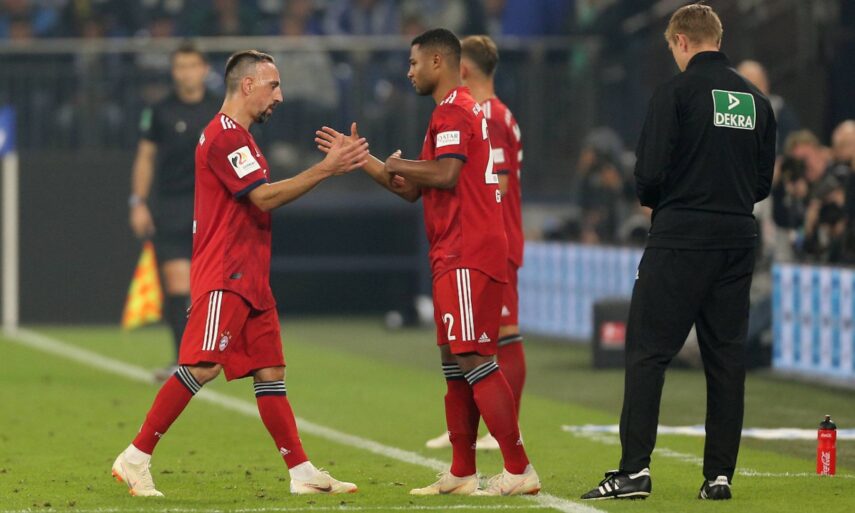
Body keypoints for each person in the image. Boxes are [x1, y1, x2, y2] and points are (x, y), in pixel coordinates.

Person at [112, 49, 369, 497]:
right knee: (202, 366)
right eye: (274, 86)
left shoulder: (241, 138)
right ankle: (135, 457)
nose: (280, 96)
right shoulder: (225, 136)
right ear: (247, 85)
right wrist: (326, 169)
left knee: (270, 371)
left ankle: (301, 472)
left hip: (250, 277)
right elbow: (263, 198)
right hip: (226, 273)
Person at [316, 28, 540, 496]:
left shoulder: (456, 109)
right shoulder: (450, 112)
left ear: (438, 61)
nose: (409, 72)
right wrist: (366, 160)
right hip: (451, 250)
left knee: (474, 357)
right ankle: (461, 472)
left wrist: (398, 164)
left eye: (414, 63)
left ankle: (519, 468)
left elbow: (446, 173)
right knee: (455, 362)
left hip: (467, 250)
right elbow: (414, 189)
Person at [580, 4, 776, 501]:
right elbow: (762, 183)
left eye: (672, 47)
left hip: (681, 236)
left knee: (648, 352)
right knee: (726, 358)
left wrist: (667, 201)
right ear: (718, 38)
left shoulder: (676, 92)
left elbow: (648, 173)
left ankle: (634, 472)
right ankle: (719, 476)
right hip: (737, 238)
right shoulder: (756, 101)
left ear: (682, 41)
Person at [424, 34, 526, 452]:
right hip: (486, 238)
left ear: (461, 67)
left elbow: (497, 184)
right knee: (468, 344)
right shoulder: (487, 112)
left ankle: (505, 431)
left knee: (500, 335)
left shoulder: (489, 115)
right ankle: (476, 432)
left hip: (488, 240)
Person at [129, 42, 220, 381]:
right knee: (176, 284)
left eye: (192, 66)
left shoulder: (220, 109)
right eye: (180, 66)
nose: (186, 73)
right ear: (173, 71)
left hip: (211, 207)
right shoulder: (159, 111)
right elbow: (145, 156)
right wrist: (138, 201)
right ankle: (185, 359)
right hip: (172, 205)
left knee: (208, 287)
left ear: (204, 69)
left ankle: (212, 355)